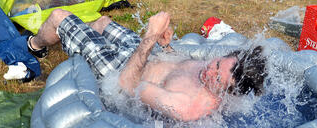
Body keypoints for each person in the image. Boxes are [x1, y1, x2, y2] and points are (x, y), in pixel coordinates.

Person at [28, 9, 267, 121]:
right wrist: (166, 46)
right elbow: (178, 69)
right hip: (144, 56)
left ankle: (35, 46)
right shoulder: (219, 70)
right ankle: (81, 39)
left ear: (227, 93)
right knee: (102, 22)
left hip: (119, 73)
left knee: (59, 16)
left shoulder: (187, 106)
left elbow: (125, 86)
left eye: (217, 79)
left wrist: (151, 36)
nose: (209, 72)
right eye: (215, 64)